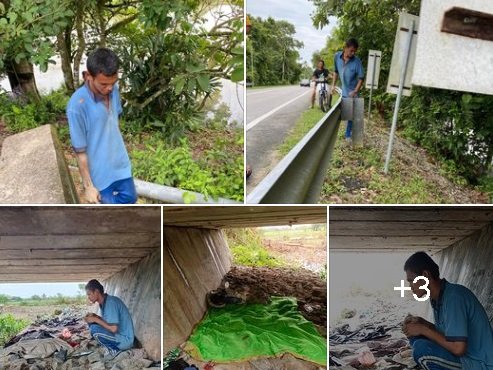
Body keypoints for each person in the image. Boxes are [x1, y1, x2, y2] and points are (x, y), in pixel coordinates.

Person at [66, 48, 137, 204]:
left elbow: (114, 122)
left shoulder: (113, 90)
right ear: (88, 76)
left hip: (120, 164)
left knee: (131, 198)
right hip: (99, 174)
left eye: (113, 83)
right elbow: (80, 153)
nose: (109, 88)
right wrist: (88, 186)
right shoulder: (77, 106)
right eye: (104, 84)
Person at [402, 252, 493, 370]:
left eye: (411, 280)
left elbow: (458, 348)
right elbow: (447, 334)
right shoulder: (438, 297)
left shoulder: (454, 297)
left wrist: (423, 329)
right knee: (416, 337)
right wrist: (423, 323)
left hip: (480, 364)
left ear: (425, 275)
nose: (410, 286)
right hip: (466, 359)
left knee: (421, 349)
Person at [84, 279, 135, 356]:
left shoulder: (111, 302)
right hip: (119, 336)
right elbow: (108, 323)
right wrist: (96, 317)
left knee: (94, 329)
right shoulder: (104, 302)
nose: (88, 297)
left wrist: (96, 319)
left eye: (89, 294)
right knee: (92, 323)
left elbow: (113, 329)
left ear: (97, 291)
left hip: (125, 340)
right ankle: (111, 347)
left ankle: (114, 351)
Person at [331, 38, 364, 142]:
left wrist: (355, 91)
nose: (353, 53)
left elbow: (361, 78)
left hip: (352, 92)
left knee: (352, 115)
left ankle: (348, 135)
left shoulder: (356, 61)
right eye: (351, 50)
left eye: (355, 51)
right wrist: (333, 85)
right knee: (346, 114)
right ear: (345, 48)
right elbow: (336, 71)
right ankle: (347, 133)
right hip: (343, 90)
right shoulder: (337, 56)